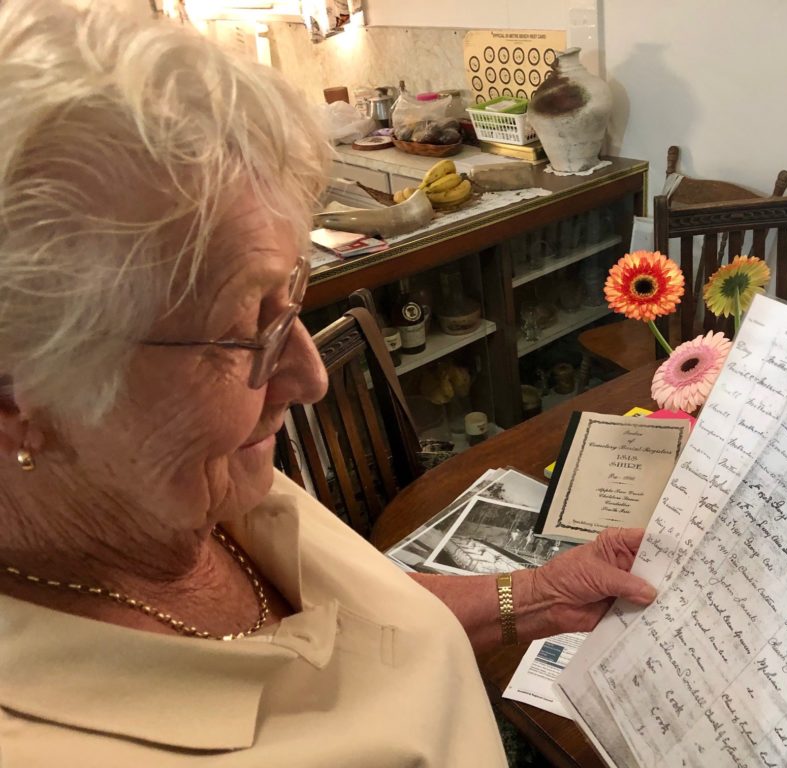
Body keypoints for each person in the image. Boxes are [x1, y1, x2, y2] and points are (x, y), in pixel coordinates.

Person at [0, 2, 656, 765]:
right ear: (19, 401)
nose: (311, 376)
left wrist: (539, 593)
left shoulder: (196, 482)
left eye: (291, 298)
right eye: (244, 329)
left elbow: (360, 634)